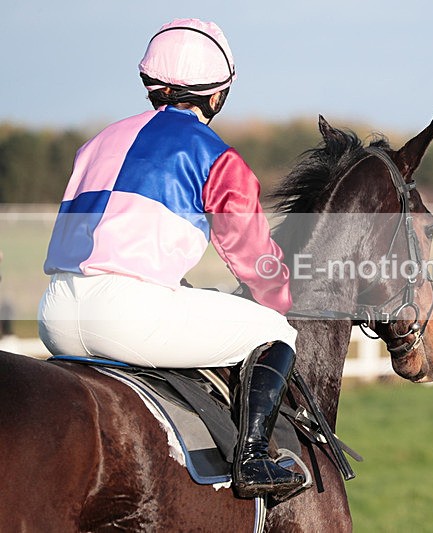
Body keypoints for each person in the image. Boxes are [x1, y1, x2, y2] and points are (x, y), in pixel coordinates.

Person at [38, 18, 304, 499]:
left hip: (54, 311)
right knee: (276, 332)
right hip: (124, 316)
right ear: (216, 95)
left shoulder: (97, 142)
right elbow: (251, 257)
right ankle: (253, 461)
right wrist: (279, 296)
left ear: (151, 84)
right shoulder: (217, 156)